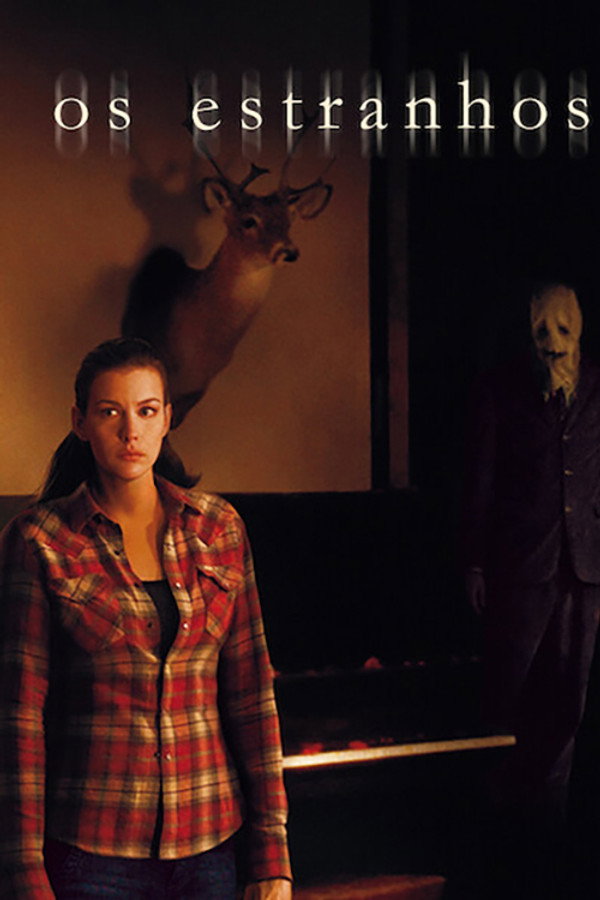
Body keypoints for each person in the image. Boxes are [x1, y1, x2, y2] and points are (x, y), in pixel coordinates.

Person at [0, 337, 292, 899]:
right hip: (91, 854)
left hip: (211, 846)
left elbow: (252, 695)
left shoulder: (218, 528)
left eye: (147, 410)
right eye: (110, 412)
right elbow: (19, 719)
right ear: (80, 422)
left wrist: (271, 856)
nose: (131, 431)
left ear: (167, 419)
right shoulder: (39, 541)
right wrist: (23, 871)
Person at [462, 283, 600, 897]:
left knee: (571, 704)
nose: (553, 344)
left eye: (563, 330)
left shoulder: (597, 389)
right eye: (542, 331)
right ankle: (503, 839)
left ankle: (549, 839)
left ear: (580, 330)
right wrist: (474, 562)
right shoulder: (500, 391)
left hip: (585, 570)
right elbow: (481, 478)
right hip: (521, 569)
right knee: (509, 705)